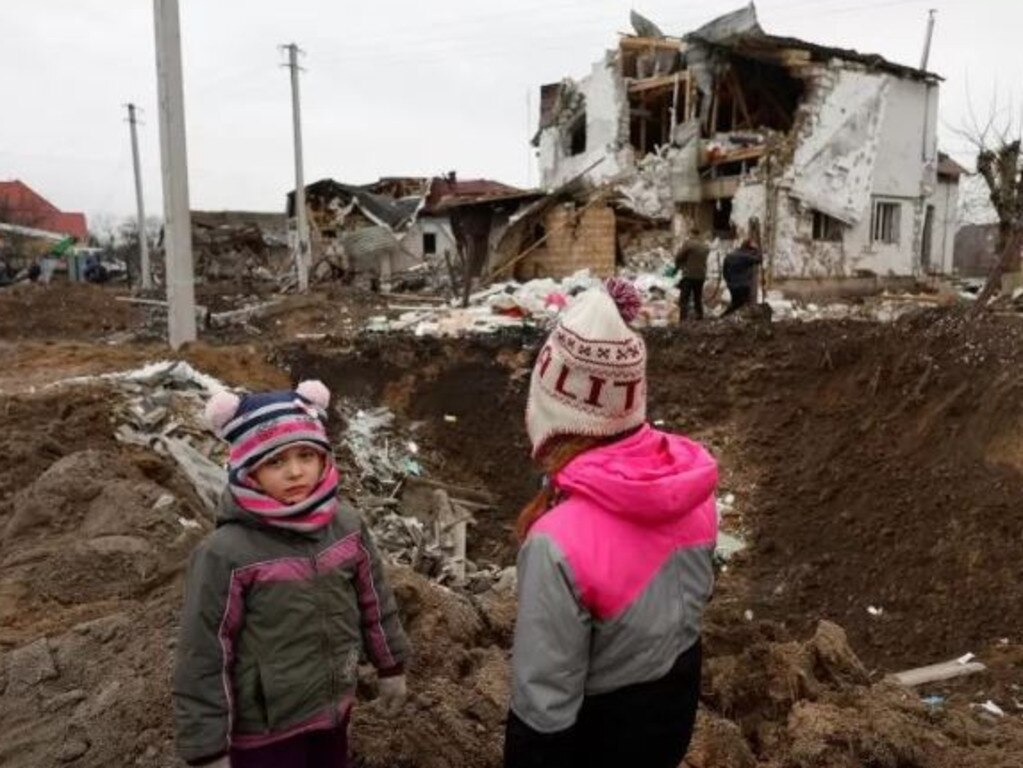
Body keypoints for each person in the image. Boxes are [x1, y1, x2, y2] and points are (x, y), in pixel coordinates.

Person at [504, 279, 719, 768]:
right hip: (671, 714)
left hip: (597, 738)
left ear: (551, 408)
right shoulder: (693, 487)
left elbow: (543, 709)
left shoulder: (556, 544)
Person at [173, 380, 410, 768]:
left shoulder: (347, 526)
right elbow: (204, 652)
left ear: (324, 458)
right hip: (265, 731)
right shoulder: (225, 553)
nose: (296, 472)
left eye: (306, 455)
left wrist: (391, 665)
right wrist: (208, 747)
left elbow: (375, 602)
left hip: (333, 709)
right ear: (249, 470)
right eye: (276, 461)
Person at [674, 227, 710, 320]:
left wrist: (678, 267)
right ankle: (700, 316)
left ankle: (683, 319)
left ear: (691, 234)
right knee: (697, 297)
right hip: (701, 275)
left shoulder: (689, 244)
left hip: (689, 275)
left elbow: (678, 256)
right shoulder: (705, 246)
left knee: (684, 298)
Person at [721, 239, 763, 317]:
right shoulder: (746, 257)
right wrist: (757, 249)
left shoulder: (730, 255)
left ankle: (728, 317)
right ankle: (725, 316)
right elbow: (759, 259)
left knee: (736, 302)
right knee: (740, 303)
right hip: (743, 284)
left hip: (732, 284)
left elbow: (724, 271)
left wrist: (728, 281)